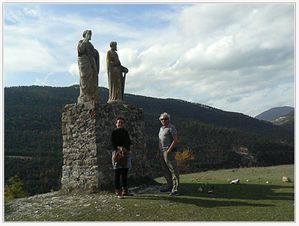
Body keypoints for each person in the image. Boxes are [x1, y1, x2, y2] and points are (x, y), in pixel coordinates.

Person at [156, 112, 180, 196]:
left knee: (173, 169)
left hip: (169, 152)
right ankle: (169, 185)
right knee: (165, 170)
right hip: (162, 152)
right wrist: (158, 152)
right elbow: (160, 141)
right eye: (161, 119)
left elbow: (176, 140)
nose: (163, 120)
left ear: (168, 119)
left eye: (165, 119)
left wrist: (169, 150)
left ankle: (176, 188)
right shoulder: (161, 129)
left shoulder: (171, 127)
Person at [111, 117, 132, 199]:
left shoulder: (125, 132)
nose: (120, 124)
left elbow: (128, 142)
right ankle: (118, 192)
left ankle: (125, 191)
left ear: (124, 124)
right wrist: (119, 149)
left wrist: (127, 149)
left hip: (126, 153)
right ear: (116, 124)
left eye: (122, 122)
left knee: (124, 173)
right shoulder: (114, 132)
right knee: (117, 172)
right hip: (117, 153)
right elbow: (113, 143)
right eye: (119, 122)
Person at [77, 30, 100, 104]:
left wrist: (96, 53)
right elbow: (80, 50)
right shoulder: (81, 42)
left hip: (91, 63)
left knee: (92, 77)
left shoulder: (90, 45)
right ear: (85, 35)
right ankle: (84, 95)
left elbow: (93, 53)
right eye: (88, 34)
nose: (90, 36)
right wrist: (85, 40)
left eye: (90, 34)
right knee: (85, 77)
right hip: (84, 63)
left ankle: (91, 94)